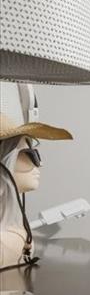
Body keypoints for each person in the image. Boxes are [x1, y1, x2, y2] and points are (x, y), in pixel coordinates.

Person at [0, 113, 72, 270]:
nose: (40, 164)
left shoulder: (20, 234)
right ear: (5, 159)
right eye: (30, 154)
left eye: (36, 154)